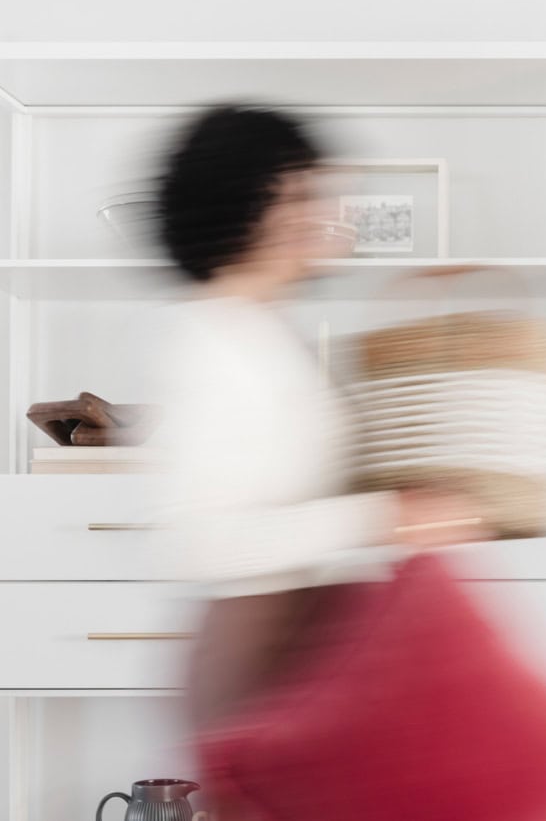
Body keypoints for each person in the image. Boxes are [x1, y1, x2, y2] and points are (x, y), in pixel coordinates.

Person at [151, 104, 489, 782]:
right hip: (257, 658)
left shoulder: (265, 331)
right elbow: (201, 542)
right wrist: (385, 515)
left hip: (300, 647)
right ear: (242, 205)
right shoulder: (214, 341)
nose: (329, 208)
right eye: (302, 192)